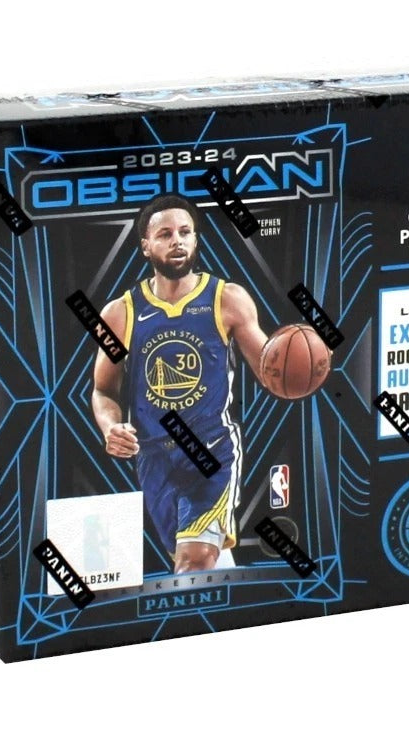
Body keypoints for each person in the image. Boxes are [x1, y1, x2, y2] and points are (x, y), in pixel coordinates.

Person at [92, 194, 269, 574]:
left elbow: (273, 371)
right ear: (146, 246)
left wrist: (302, 364)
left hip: (211, 452)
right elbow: (103, 390)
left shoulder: (227, 299)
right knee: (199, 567)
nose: (178, 241)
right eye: (166, 234)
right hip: (154, 459)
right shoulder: (119, 313)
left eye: (185, 232)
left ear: (196, 239)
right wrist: (110, 427)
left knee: (194, 559)